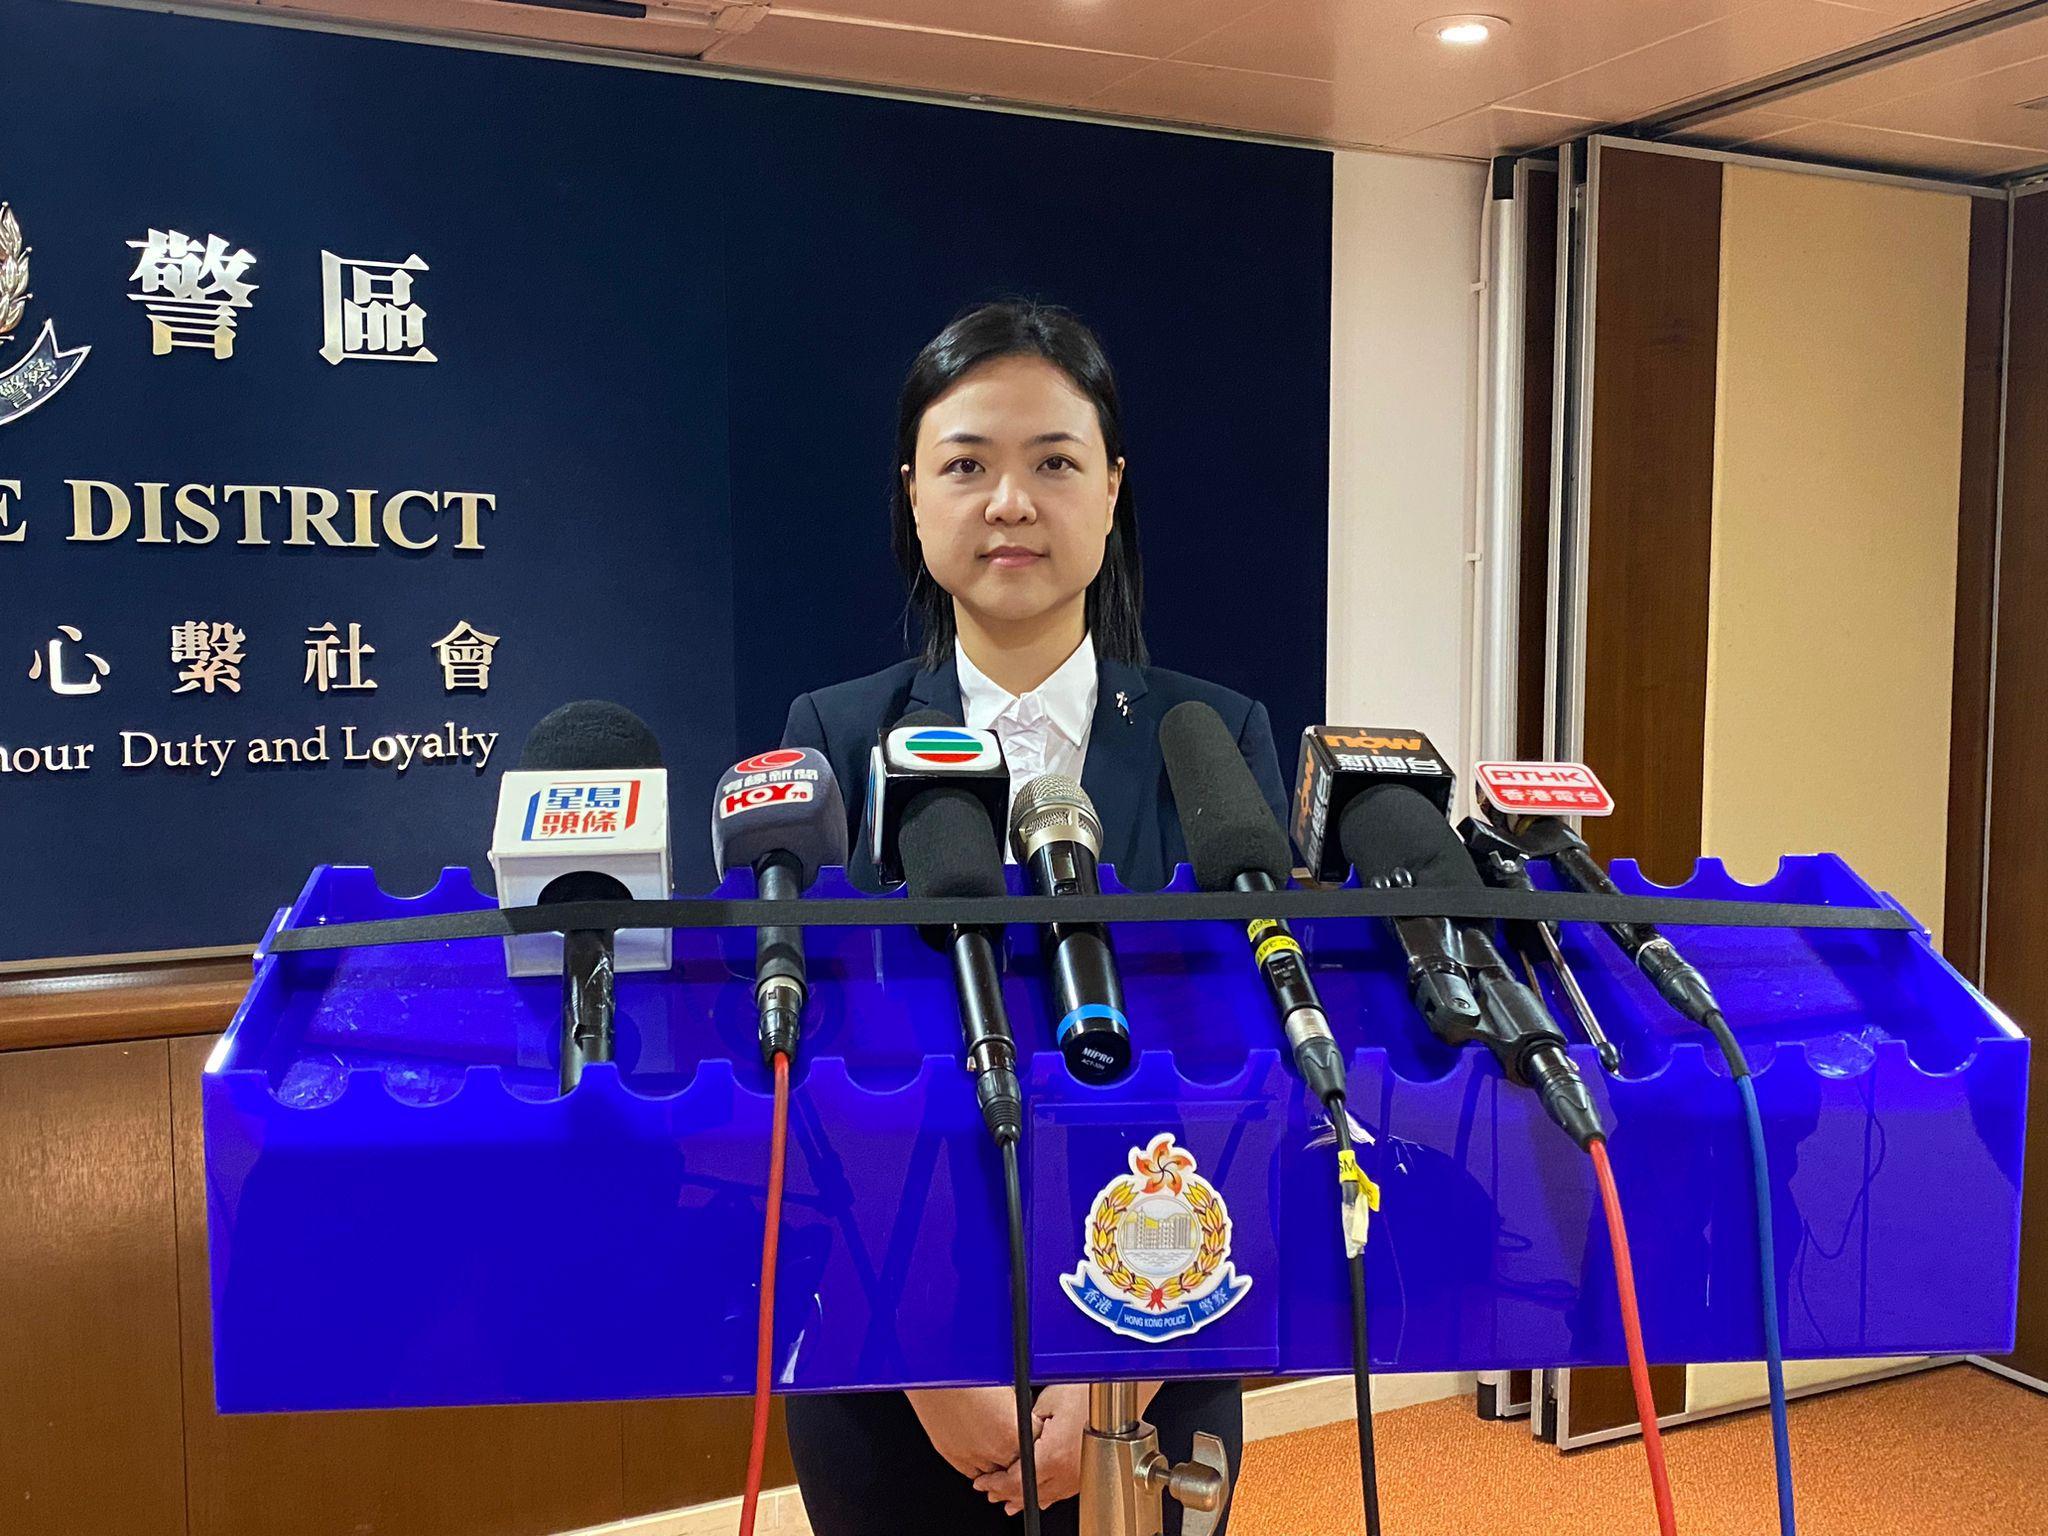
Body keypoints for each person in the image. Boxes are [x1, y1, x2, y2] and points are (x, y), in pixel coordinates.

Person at [780, 298, 1286, 1534]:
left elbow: (1255, 1064)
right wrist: (924, 1365)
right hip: (893, 1358)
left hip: (1164, 1308)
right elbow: (807, 1071)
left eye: (1054, 464)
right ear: (914, 495)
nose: (1009, 502)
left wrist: (1129, 1362)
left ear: (1110, 491)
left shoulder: (1210, 738)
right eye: (966, 466)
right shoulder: (833, 735)